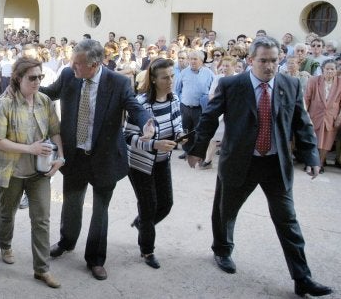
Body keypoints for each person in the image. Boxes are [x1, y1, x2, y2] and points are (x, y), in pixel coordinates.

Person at [187, 36, 333, 297]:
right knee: (225, 212)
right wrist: (197, 150)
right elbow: (209, 117)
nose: (269, 66)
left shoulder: (289, 84)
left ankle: (302, 278)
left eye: (274, 60)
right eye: (263, 60)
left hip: (275, 164)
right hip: (240, 161)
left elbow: (302, 121)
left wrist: (311, 156)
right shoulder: (233, 85)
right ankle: (222, 250)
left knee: (288, 220)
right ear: (251, 60)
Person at [41, 39, 152, 281]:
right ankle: (67, 241)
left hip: (104, 157)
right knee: (71, 203)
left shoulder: (118, 82)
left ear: (95, 64)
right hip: (75, 155)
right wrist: (22, 86)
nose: (72, 66)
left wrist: (147, 122)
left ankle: (96, 259)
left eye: (78, 64)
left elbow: (135, 107)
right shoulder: (70, 76)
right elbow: (49, 93)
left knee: (100, 210)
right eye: (72, 61)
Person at [0, 57, 64, 288]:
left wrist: (60, 156)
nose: (38, 82)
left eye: (40, 77)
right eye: (32, 78)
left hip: (39, 173)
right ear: (18, 78)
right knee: (7, 212)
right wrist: (29, 148)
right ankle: (5, 244)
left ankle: (41, 269)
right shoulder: (6, 104)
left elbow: (54, 132)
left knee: (41, 219)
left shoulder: (44, 101)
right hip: (11, 172)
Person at [124, 58, 183, 269]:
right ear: (154, 80)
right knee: (148, 207)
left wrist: (180, 134)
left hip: (162, 162)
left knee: (166, 204)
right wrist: (154, 144)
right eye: (165, 77)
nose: (170, 81)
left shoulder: (174, 99)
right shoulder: (140, 104)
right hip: (140, 163)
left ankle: (142, 224)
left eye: (172, 76)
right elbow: (127, 137)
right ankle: (147, 250)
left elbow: (177, 123)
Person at [304, 59, 341, 173]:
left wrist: (339, 117)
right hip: (315, 115)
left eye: (332, 69)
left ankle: (320, 163)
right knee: (312, 140)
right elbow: (306, 99)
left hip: (332, 117)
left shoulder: (340, 83)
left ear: (336, 70)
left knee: (327, 142)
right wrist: (305, 115)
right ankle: (310, 163)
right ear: (322, 69)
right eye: (327, 69)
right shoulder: (313, 80)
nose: (329, 71)